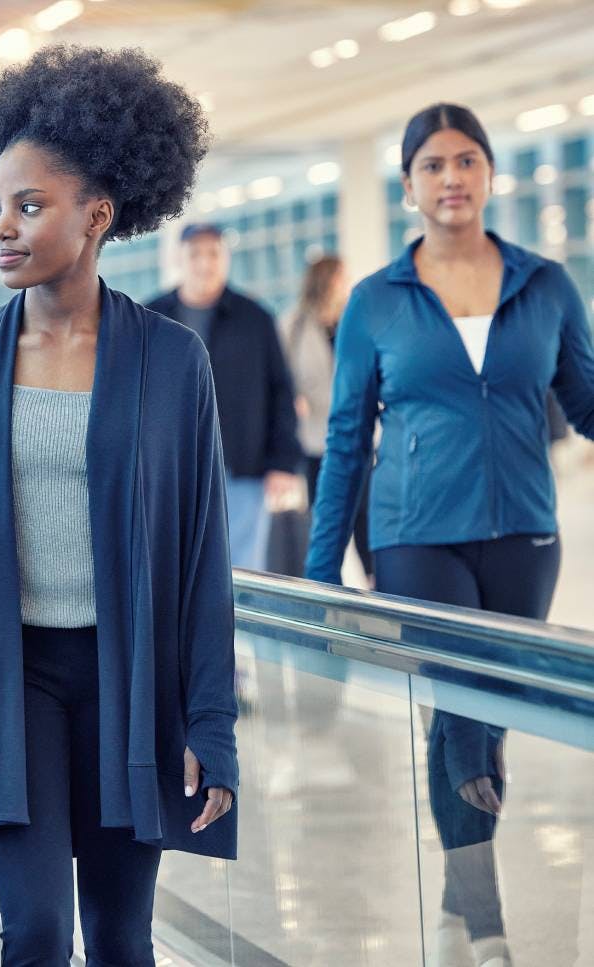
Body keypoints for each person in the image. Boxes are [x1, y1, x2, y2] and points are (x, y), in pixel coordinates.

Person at [0, 45, 237, 966]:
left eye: (29, 206)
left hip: (128, 679)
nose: (3, 227)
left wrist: (210, 725)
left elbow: (199, 551)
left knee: (118, 938)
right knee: (35, 930)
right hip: (12, 679)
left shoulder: (170, 360)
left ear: (97, 214)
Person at [306, 103, 594, 967]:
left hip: (523, 538)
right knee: (459, 717)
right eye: (432, 164)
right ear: (409, 186)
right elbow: (347, 440)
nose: (452, 177)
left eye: (466, 159)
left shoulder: (545, 283)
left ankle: (454, 895)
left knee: (487, 726)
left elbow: (584, 400)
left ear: (490, 173)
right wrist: (322, 574)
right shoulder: (377, 301)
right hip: (415, 538)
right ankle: (490, 926)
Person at [147, 225, 302, 572]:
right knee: (176, 567)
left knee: (242, 570)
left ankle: (237, 629)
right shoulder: (152, 318)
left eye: (214, 253)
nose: (205, 263)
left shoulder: (255, 318)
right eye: (195, 254)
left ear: (226, 259)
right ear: (178, 259)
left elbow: (281, 391)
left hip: (242, 467)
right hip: (171, 468)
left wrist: (283, 462)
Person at [279, 255, 374, 583]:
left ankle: (377, 587)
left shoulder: (355, 319)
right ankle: (329, 594)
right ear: (325, 281)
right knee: (327, 518)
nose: (343, 284)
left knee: (367, 517)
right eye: (339, 278)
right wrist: (293, 399)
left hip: (361, 434)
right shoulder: (294, 326)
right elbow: (280, 379)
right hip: (315, 439)